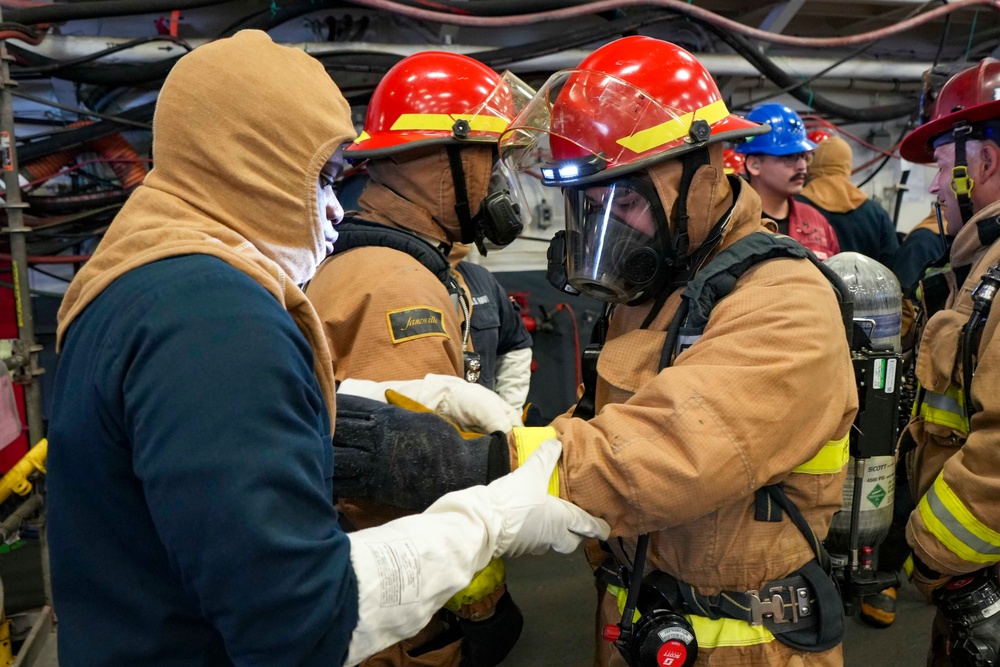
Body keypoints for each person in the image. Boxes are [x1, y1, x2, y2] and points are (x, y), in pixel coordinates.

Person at [45, 31, 608, 667]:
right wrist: (488, 522)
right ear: (251, 166)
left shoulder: (140, 278)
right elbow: (299, 618)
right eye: (320, 179)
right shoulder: (214, 314)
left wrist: (358, 397)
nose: (337, 209)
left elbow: (209, 446)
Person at [335, 36, 858, 666]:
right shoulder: (660, 289)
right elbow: (608, 427)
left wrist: (481, 461)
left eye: (627, 200)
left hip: (744, 646)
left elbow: (669, 452)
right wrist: (499, 422)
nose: (609, 226)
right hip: (638, 618)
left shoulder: (784, 300)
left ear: (709, 166)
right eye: (589, 204)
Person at [305, 52, 535, 667]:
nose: (498, 183)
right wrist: (472, 609)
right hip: (406, 626)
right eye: (493, 159)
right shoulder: (394, 286)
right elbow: (399, 485)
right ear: (445, 164)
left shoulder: (391, 263)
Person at [894, 57, 1000, 665]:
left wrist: (930, 550)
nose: (935, 187)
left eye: (939, 167)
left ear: (980, 163)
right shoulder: (980, 266)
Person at [737, 103, 841, 260]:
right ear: (754, 165)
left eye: (804, 157)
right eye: (789, 157)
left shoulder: (816, 221)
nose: (802, 166)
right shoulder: (735, 226)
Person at [448, 242, 533, 410]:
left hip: (484, 424)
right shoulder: (403, 275)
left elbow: (515, 346)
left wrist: (508, 412)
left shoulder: (480, 278)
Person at [799, 135, 900, 266]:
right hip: (866, 285)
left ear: (813, 163)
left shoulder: (795, 205)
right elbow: (892, 262)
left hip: (812, 285)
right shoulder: (876, 213)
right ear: (847, 165)